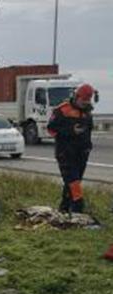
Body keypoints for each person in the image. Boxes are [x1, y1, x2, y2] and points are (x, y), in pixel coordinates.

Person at [47, 84, 95, 213]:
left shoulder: (87, 112)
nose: (85, 103)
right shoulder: (62, 110)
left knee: (74, 182)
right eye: (83, 100)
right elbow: (51, 129)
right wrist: (70, 131)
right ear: (76, 96)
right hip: (65, 153)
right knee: (73, 182)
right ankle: (78, 208)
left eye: (88, 101)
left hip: (82, 153)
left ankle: (64, 208)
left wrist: (88, 147)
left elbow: (89, 131)